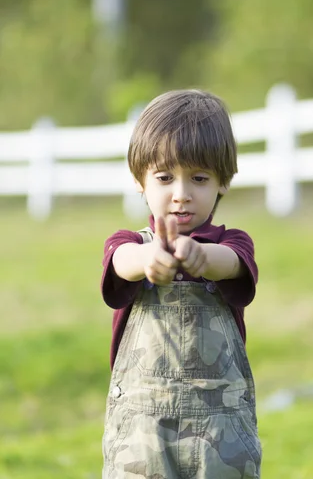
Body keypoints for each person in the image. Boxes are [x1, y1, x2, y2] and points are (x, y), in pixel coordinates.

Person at [101, 89, 262, 479]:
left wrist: (201, 258)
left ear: (224, 181)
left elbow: (233, 266)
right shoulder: (130, 246)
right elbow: (121, 264)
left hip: (220, 431)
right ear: (140, 181)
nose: (181, 195)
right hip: (141, 432)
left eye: (199, 178)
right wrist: (149, 260)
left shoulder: (231, 245)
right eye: (164, 177)